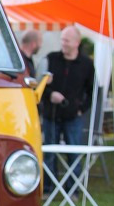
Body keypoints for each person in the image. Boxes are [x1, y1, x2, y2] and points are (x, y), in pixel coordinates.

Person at [40, 25, 95, 185]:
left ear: (76, 43)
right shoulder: (51, 58)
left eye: (67, 40)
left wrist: (81, 109)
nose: (63, 43)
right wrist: (51, 94)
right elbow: (40, 84)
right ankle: (49, 187)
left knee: (74, 153)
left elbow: (92, 91)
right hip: (52, 114)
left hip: (73, 117)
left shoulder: (86, 64)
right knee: (49, 153)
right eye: (62, 39)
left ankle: (73, 189)